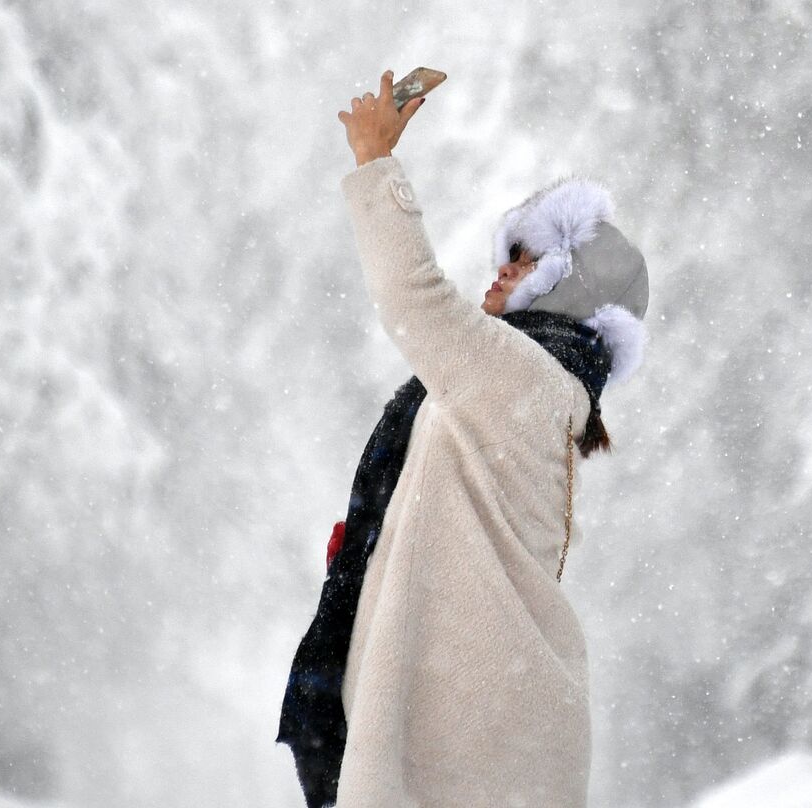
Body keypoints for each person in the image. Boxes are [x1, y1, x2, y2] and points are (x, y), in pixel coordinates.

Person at [277, 71, 650, 807]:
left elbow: (413, 296)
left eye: (523, 262)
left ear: (562, 289)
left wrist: (375, 162)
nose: (501, 272)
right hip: (492, 721)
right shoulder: (539, 390)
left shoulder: (527, 378)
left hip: (468, 730)